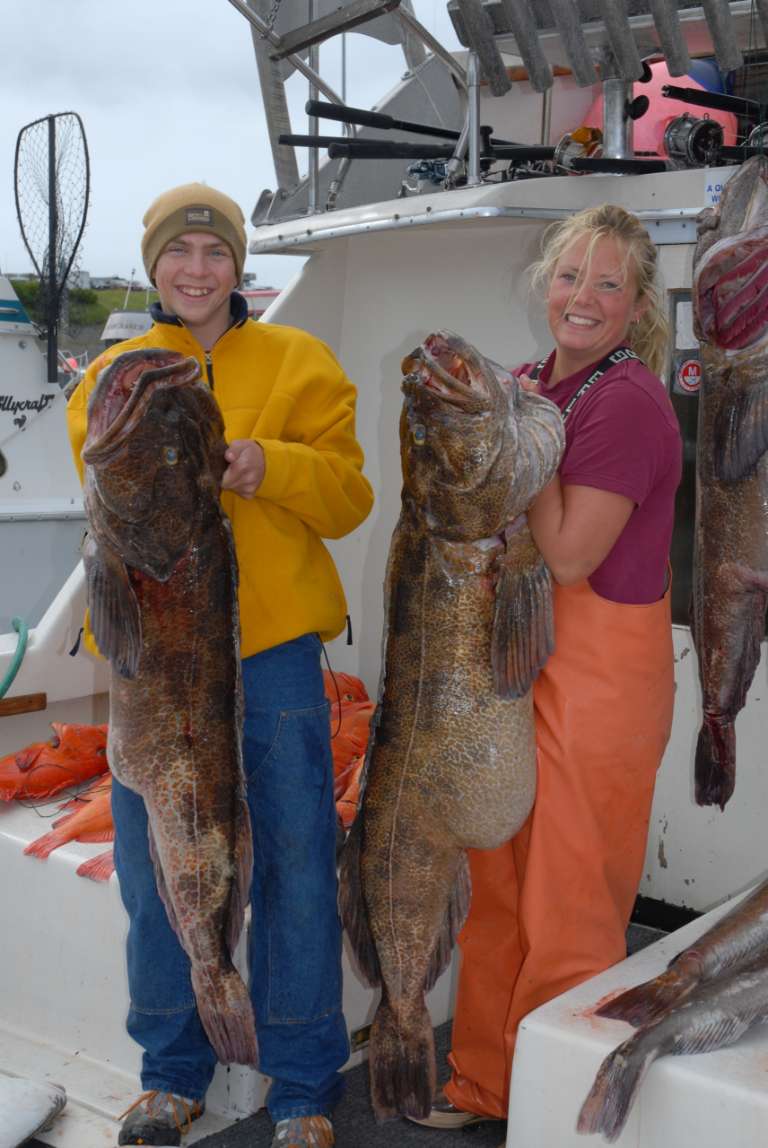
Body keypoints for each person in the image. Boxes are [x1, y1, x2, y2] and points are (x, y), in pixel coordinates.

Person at [66, 183, 374, 1148]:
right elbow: (110, 499)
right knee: (158, 868)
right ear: (152, 264)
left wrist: (265, 467)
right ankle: (171, 1070)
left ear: (240, 267)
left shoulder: (300, 361)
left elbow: (351, 495)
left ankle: (302, 1085)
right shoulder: (111, 375)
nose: (196, 270)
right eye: (178, 252)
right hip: (154, 668)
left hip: (273, 663)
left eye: (214, 252)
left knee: (295, 862)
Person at [412, 204, 682, 1138]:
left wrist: (514, 450)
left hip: (601, 672)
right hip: (513, 666)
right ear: (545, 283)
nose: (583, 298)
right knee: (497, 880)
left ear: (638, 302)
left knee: (568, 899)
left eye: (609, 284)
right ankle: (485, 1079)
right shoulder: (527, 384)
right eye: (571, 276)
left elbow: (568, 556)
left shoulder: (629, 403)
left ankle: (557, 1110)